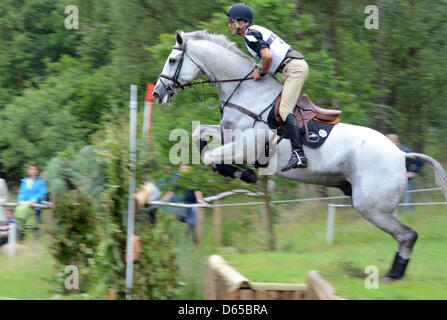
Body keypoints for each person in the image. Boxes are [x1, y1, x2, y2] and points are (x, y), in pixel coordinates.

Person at [225, 3, 309, 172]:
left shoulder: (250, 34)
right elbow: (268, 58)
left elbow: (268, 57)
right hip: (291, 68)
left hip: (293, 69)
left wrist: (262, 73)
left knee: (284, 111)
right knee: (272, 114)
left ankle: (299, 154)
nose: (229, 25)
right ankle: (265, 155)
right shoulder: (253, 32)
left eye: (231, 21)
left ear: (241, 22)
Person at [387, 134, 424, 209]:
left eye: (395, 142)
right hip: (392, 182)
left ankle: (411, 218)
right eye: (391, 142)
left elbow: (420, 161)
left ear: (398, 142)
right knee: (395, 206)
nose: (394, 144)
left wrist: (413, 171)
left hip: (406, 180)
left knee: (408, 205)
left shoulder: (407, 152)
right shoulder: (386, 153)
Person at [18, 163, 47, 232]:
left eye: (34, 169)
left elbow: (42, 192)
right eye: (31, 169)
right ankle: (21, 236)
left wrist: (35, 198)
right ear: (28, 171)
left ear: (37, 171)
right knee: (22, 222)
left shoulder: (41, 182)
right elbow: (21, 192)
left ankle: (35, 238)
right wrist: (20, 200)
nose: (32, 171)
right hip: (24, 205)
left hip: (35, 205)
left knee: (35, 224)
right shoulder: (24, 181)